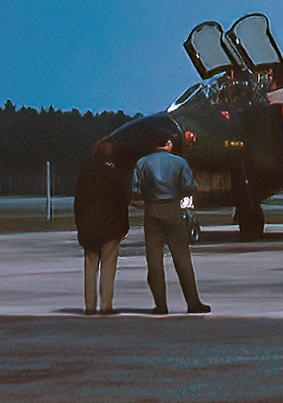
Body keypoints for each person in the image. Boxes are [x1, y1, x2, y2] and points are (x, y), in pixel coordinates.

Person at [132, 135, 209, 314]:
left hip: (152, 211)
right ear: (169, 143)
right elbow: (190, 186)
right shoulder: (179, 162)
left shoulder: (142, 163)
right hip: (173, 209)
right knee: (182, 259)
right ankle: (193, 302)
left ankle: (160, 305)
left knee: (154, 261)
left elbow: (134, 189)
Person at [73, 139, 129, 315]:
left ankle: (89, 305)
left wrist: (80, 225)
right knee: (108, 266)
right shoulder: (115, 174)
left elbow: (78, 203)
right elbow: (122, 202)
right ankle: (106, 305)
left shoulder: (84, 173)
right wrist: (124, 226)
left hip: (89, 225)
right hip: (110, 226)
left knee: (90, 266)